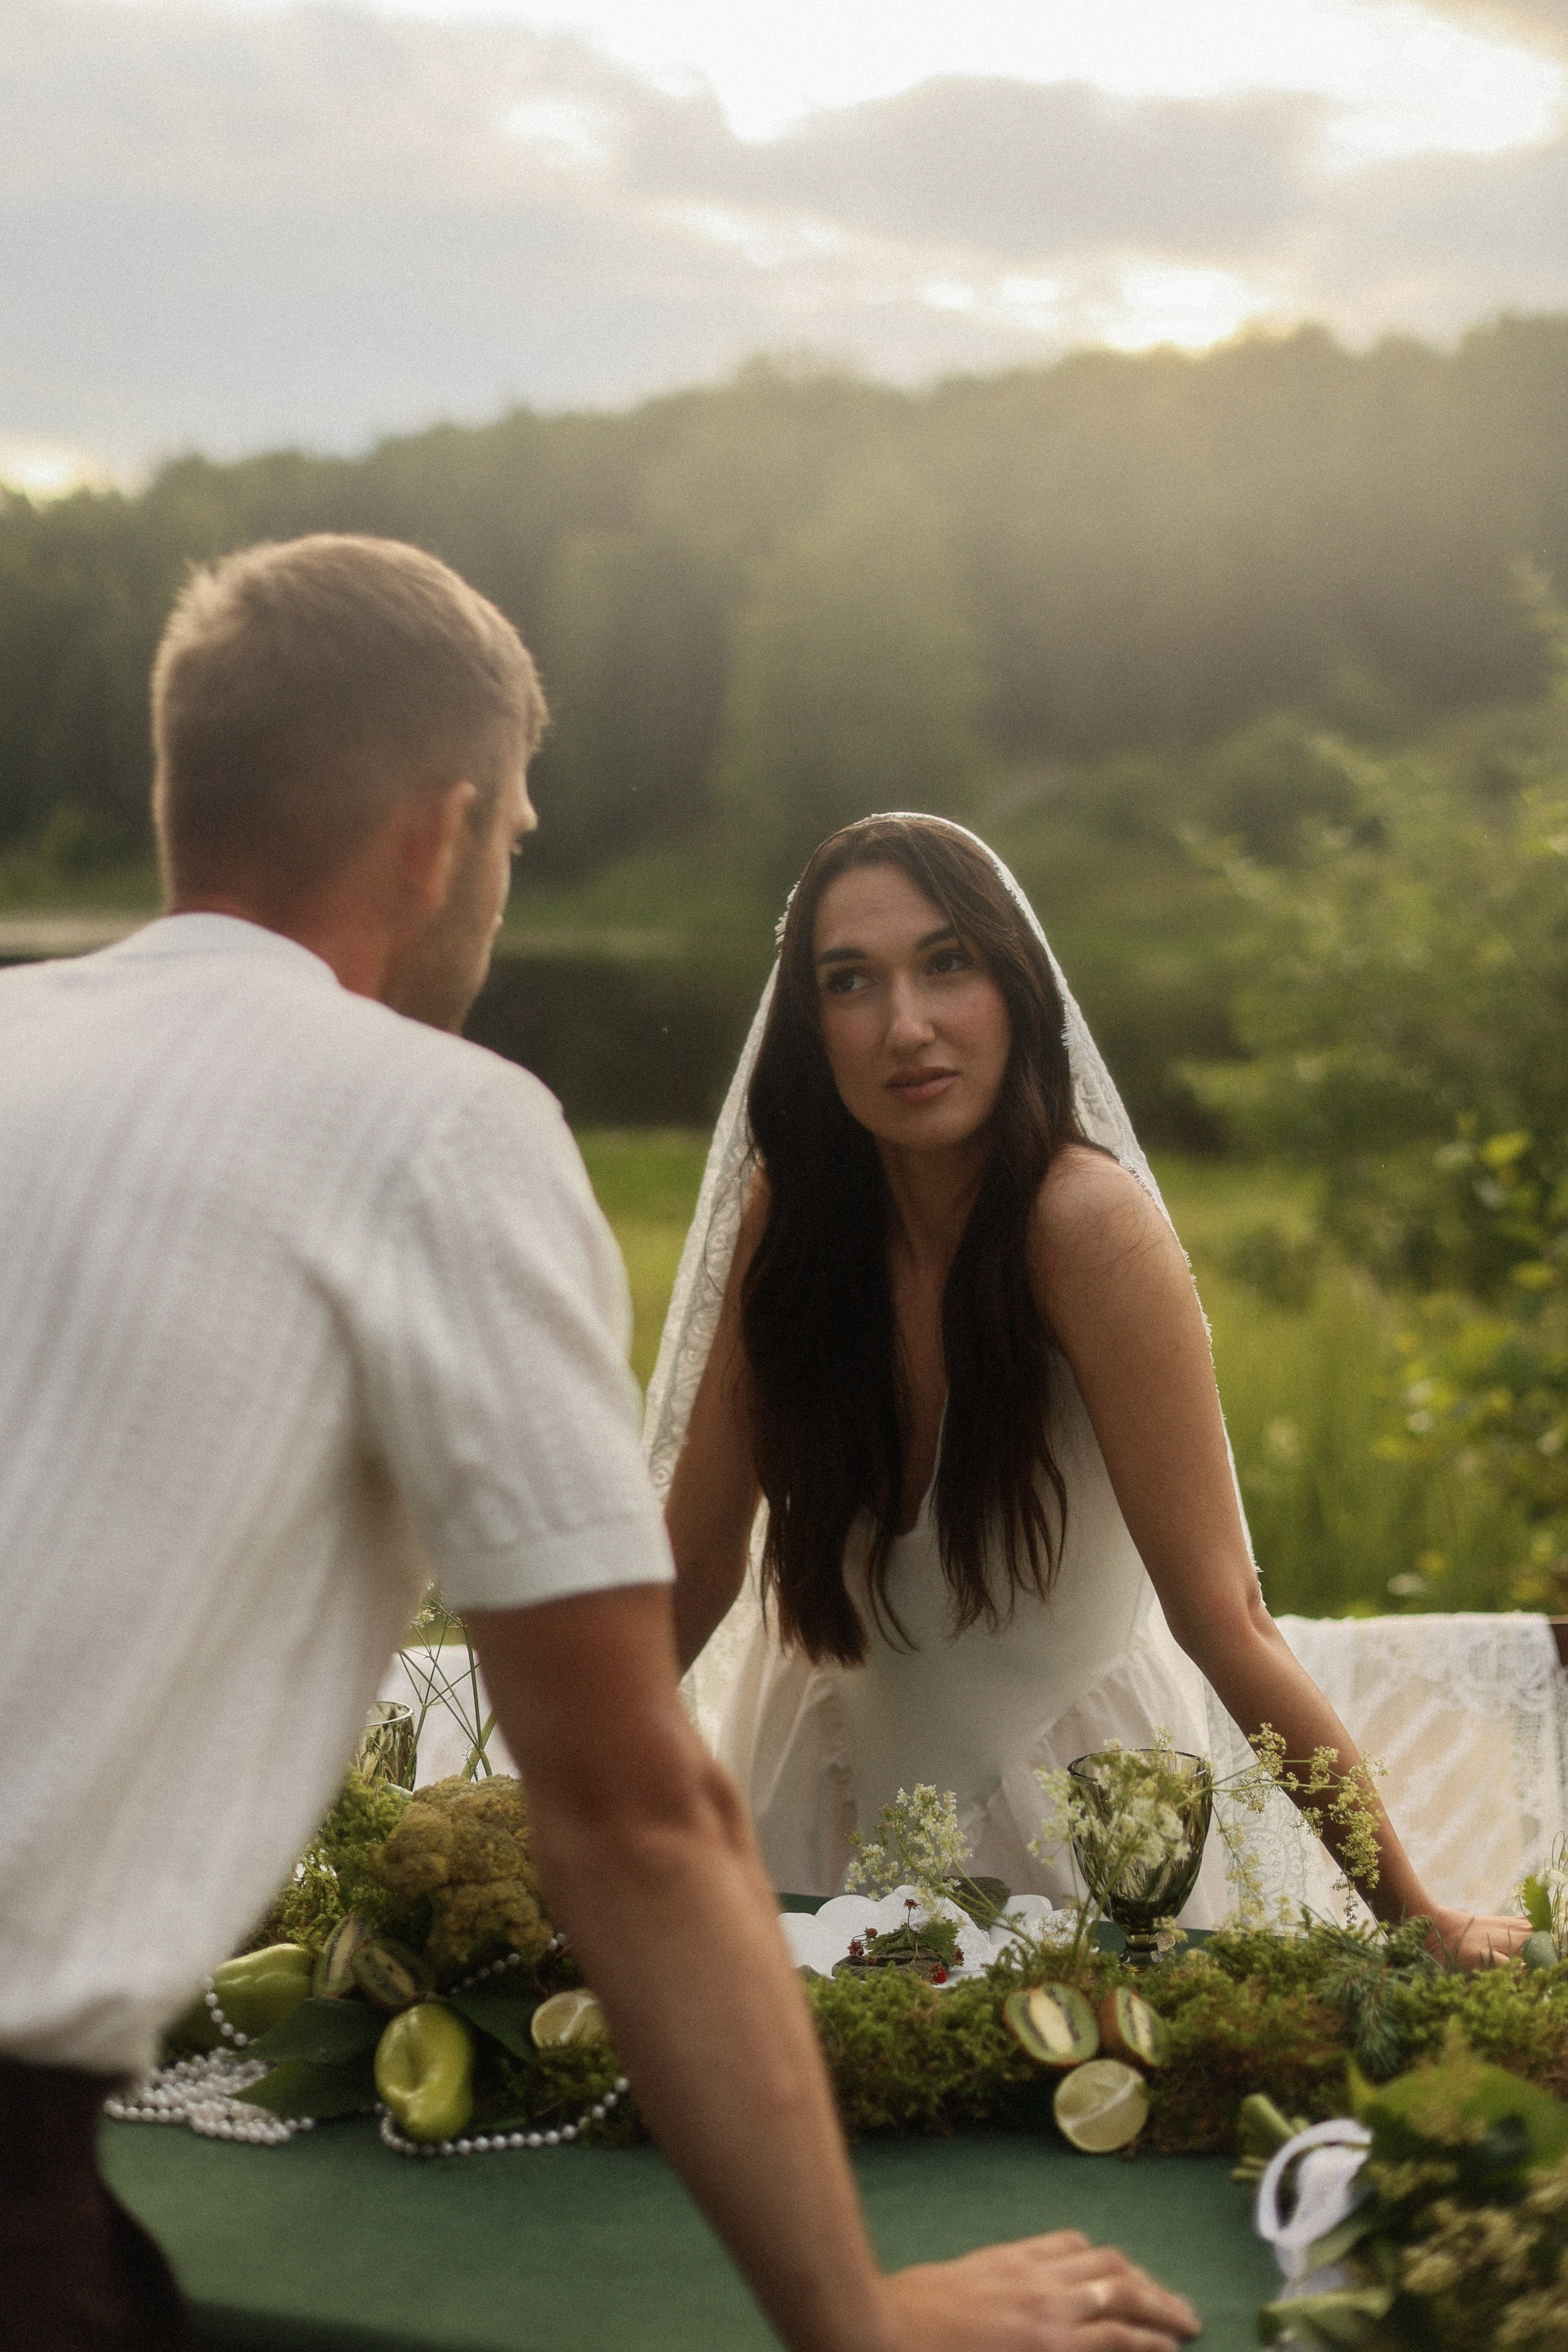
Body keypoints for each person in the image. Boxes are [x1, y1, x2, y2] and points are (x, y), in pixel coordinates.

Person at [0, 541, 1200, 2352]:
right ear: (442, 834)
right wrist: (857, 2319)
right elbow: (633, 1816)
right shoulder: (438, 1131)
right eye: (522, 839)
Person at [659, 812, 1532, 1961]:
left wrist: (1414, 1915)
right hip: (814, 1797)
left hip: (1075, 1827)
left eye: (947, 963)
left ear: (1015, 986)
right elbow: (695, 1564)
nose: (906, 1026)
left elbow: (1228, 1619)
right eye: (849, 981)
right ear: (808, 1024)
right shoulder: (793, 1222)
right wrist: (529, 1797)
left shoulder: (1087, 1229)